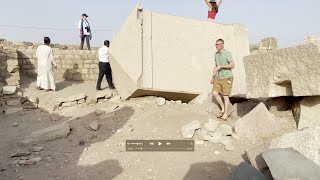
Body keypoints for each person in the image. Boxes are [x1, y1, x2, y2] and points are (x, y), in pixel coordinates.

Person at [211, 39, 235, 121]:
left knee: (225, 96)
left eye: (218, 44)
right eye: (216, 44)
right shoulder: (216, 54)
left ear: (222, 45)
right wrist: (212, 77)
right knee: (214, 93)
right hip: (219, 77)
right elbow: (216, 66)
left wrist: (222, 66)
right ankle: (223, 108)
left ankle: (225, 114)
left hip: (227, 77)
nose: (217, 46)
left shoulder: (227, 53)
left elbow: (232, 65)